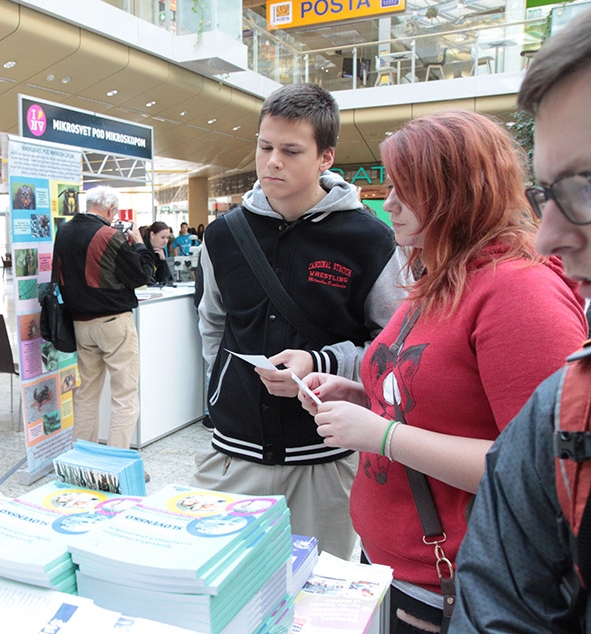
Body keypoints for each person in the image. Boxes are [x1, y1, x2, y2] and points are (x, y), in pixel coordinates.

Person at [294, 110, 587, 632]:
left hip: (451, 589)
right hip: (398, 571)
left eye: (408, 190)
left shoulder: (519, 292)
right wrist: (364, 395)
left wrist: (382, 434)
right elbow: (442, 400)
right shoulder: (442, 272)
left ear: (458, 194)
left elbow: (543, 471)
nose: (390, 204)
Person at [195, 82, 407, 560]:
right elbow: (213, 323)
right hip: (231, 455)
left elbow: (394, 347)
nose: (272, 162)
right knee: (221, 584)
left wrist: (321, 363)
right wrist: (223, 385)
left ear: (325, 157)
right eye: (264, 146)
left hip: (326, 460)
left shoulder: (369, 240)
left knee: (317, 588)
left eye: (291, 151)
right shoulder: (224, 235)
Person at [451, 12, 591, 632]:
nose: (551, 236)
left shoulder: (519, 290)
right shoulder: (564, 407)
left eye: (586, 187)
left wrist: (383, 435)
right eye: (547, 193)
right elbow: (501, 603)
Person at [51, 185, 154, 449]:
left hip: (80, 324)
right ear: (111, 210)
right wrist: (140, 244)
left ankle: (82, 456)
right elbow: (141, 276)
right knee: (124, 395)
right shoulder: (109, 236)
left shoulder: (63, 232)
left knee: (86, 393)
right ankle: (115, 459)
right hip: (113, 322)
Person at [141, 221, 171, 285]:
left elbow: (164, 279)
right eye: (162, 237)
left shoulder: (161, 251)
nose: (166, 241)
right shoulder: (142, 249)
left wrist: (163, 261)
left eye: (168, 238)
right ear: (152, 235)